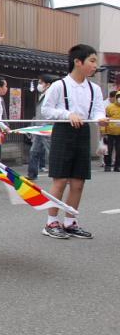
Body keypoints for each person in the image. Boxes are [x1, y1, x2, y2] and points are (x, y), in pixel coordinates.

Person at [40, 44, 107, 240]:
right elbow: (46, 110)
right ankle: (51, 222)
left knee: (78, 182)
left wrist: (100, 118)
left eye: (95, 62)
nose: (95, 65)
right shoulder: (59, 85)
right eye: (92, 61)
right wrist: (68, 114)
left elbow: (97, 111)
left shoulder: (94, 89)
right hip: (63, 131)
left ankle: (70, 222)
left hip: (83, 132)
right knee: (60, 180)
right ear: (78, 62)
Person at [27, 74, 56, 180]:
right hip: (39, 127)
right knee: (34, 151)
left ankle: (59, 174)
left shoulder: (51, 96)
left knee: (51, 151)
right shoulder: (42, 95)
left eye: (41, 83)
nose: (39, 85)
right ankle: (32, 174)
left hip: (47, 126)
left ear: (48, 85)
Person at [104, 91, 120, 172]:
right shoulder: (109, 107)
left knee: (119, 150)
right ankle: (108, 165)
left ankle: (117, 166)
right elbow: (104, 119)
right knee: (108, 150)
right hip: (110, 132)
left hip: (119, 133)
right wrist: (103, 131)